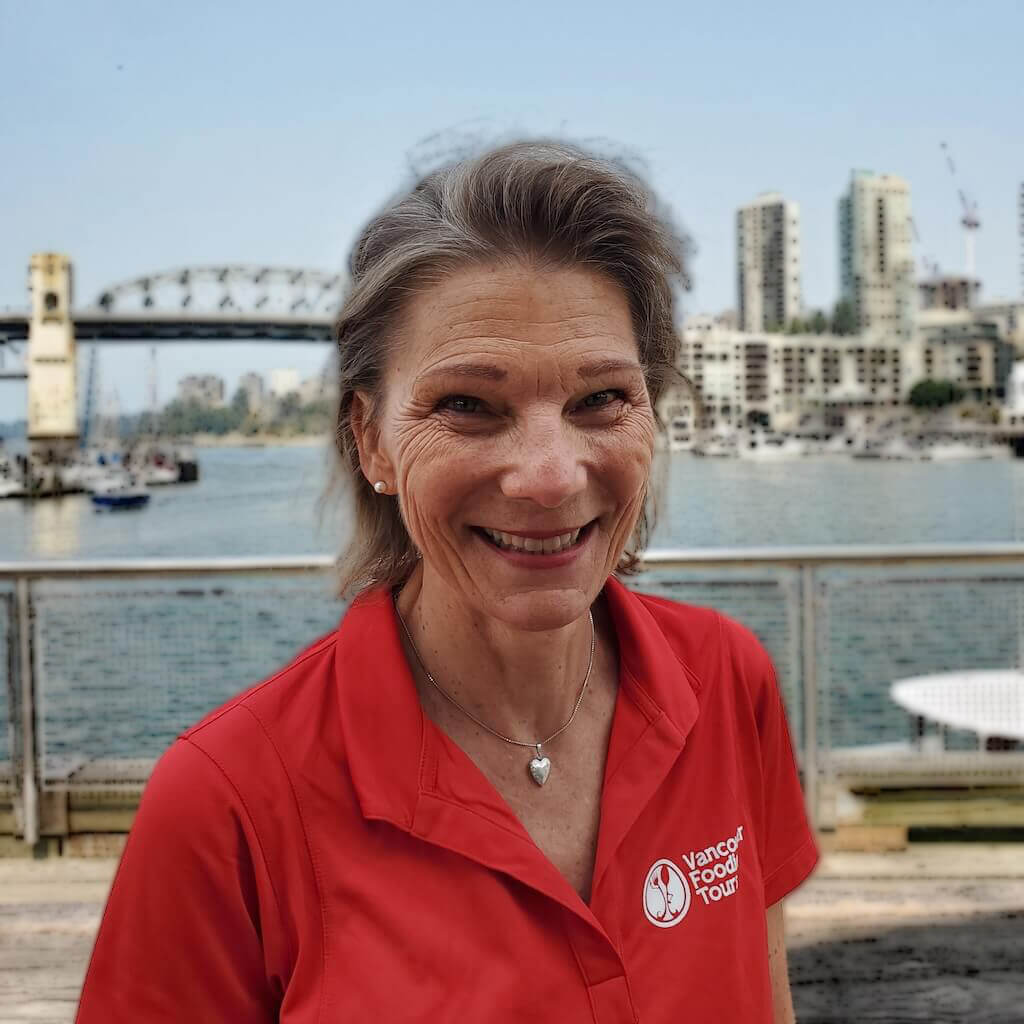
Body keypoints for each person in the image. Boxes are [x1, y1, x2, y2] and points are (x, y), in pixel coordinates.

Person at [76, 140, 818, 1022]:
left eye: (601, 400)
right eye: (468, 404)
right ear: (372, 440)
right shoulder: (227, 802)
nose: (548, 476)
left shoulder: (729, 683)